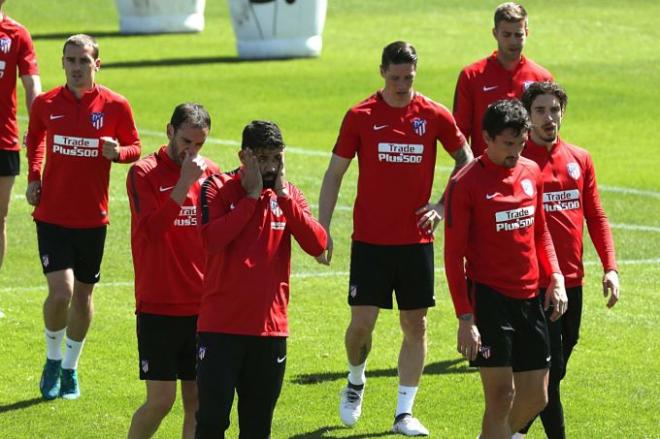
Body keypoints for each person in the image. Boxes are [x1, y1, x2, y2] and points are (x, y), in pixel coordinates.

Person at [316, 41, 473, 436]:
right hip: (370, 241)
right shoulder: (360, 115)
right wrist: (322, 227)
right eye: (396, 77)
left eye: (409, 77)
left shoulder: (434, 115)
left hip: (415, 242)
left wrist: (441, 204)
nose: (402, 85)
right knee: (361, 327)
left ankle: (404, 412)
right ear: (382, 71)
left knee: (415, 326)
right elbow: (335, 173)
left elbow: (467, 161)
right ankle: (355, 379)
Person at [24, 34, 141, 400]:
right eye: (70, 60)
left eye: (83, 61)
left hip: (93, 219)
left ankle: (71, 370)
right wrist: (34, 176)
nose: (76, 67)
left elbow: (136, 148)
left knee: (84, 297)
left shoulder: (116, 106)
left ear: (97, 65)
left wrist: (118, 152)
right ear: (62, 64)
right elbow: (35, 138)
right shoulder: (46, 103)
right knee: (61, 293)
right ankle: (53, 360)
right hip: (53, 216)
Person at [443, 99, 567, 438]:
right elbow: (453, 257)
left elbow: (540, 230)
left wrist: (554, 276)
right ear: (487, 138)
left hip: (530, 299)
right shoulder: (466, 183)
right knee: (501, 397)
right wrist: (465, 319)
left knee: (537, 397)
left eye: (521, 142)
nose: (516, 151)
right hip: (489, 300)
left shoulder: (530, 172)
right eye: (508, 144)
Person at [195, 120, 327, 438]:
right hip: (220, 330)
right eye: (262, 158)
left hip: (269, 333)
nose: (270, 167)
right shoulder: (215, 187)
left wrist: (283, 197)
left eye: (276, 158)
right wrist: (251, 199)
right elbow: (211, 241)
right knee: (212, 422)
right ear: (244, 156)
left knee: (257, 427)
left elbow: (319, 245)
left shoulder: (288, 196)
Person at [515, 82, 619, 439]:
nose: (549, 118)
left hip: (574, 282)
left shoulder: (580, 158)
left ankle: (511, 431)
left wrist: (610, 268)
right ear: (528, 117)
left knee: (553, 374)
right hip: (537, 284)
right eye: (540, 111)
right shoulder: (518, 162)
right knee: (550, 371)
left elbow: (596, 216)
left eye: (554, 110)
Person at [126, 103, 219, 439]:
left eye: (199, 144)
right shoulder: (143, 173)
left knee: (196, 400)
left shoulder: (212, 174)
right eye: (185, 141)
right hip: (158, 306)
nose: (191, 151)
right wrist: (183, 184)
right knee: (161, 401)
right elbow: (152, 231)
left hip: (202, 308)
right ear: (169, 131)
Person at [453, 2, 553, 157]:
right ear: (495, 33)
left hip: (530, 172)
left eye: (518, 35)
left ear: (527, 33)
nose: (513, 41)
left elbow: (549, 128)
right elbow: (460, 132)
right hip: (485, 172)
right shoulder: (472, 76)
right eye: (506, 35)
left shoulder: (542, 78)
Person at [0, 0, 41, 271]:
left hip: (4, 140)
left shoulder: (16, 33)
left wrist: (38, 126)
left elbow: (32, 85)